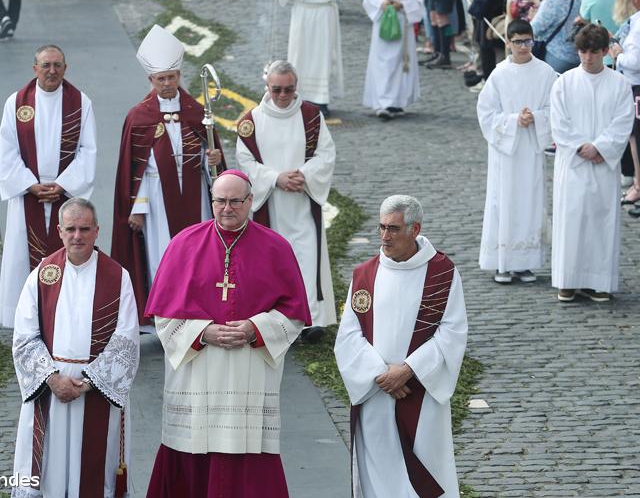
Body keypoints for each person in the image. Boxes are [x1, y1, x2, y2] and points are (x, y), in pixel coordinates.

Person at [144, 170, 311, 497]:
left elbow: (294, 313)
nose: (227, 208)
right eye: (220, 201)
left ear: (251, 201)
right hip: (198, 368)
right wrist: (202, 333)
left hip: (248, 369)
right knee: (191, 447)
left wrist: (255, 328)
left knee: (248, 453)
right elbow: (163, 315)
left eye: (235, 201)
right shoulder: (184, 244)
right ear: (212, 200)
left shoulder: (275, 247)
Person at [334, 195, 469, 498]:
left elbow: (452, 332)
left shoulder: (442, 274)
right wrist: (382, 374)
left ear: (415, 229)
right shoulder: (365, 274)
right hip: (376, 392)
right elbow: (348, 335)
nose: (384, 237)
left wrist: (408, 371)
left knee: (424, 470)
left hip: (421, 393)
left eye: (393, 229)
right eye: (381, 227)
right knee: (377, 472)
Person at [11, 198, 140, 497]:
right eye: (71, 229)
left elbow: (126, 340)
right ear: (59, 231)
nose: (77, 236)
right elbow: (24, 336)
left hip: (96, 392)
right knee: (50, 470)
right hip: (51, 391)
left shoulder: (117, 277)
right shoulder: (43, 275)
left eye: (84, 229)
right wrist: (53, 380)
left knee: (95, 471)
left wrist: (87, 384)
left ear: (97, 230)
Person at [112, 25, 225, 332]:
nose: (166, 83)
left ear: (178, 76)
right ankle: (168, 320)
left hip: (197, 200)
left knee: (200, 256)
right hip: (158, 204)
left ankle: (202, 315)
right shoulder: (139, 117)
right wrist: (138, 207)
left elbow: (211, 159)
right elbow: (137, 173)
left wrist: (211, 159)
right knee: (163, 257)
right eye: (160, 78)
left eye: (171, 77)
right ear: (151, 80)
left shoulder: (196, 112)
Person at [235, 60, 336, 342]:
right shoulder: (251, 122)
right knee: (272, 262)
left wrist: (303, 176)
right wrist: (275, 178)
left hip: (302, 202)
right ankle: (274, 322)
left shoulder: (311, 117)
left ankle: (310, 320)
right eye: (277, 89)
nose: (282, 95)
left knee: (306, 256)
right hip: (271, 206)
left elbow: (326, 154)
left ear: (296, 86)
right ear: (267, 86)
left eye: (288, 89)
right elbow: (245, 162)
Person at [0, 45, 97, 328]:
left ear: (65, 68)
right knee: (22, 259)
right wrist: (29, 185)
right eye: (46, 65)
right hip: (28, 196)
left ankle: (65, 316)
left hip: (64, 197)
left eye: (57, 65)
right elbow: (8, 150)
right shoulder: (16, 104)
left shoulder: (80, 103)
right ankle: (27, 319)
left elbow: (88, 151)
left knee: (70, 249)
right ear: (35, 69)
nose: (52, 71)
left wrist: (63, 185)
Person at [550, 24, 634, 301]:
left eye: (594, 52)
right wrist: (581, 147)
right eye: (583, 52)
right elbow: (559, 123)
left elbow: (623, 121)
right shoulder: (564, 82)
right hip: (573, 164)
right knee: (571, 221)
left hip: (603, 165)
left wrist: (600, 146)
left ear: (605, 51)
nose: (587, 58)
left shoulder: (619, 83)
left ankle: (597, 282)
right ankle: (567, 280)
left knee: (601, 222)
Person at [477, 19, 558, 284]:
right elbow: (486, 113)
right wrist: (514, 120)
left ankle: (525, 263)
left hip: (531, 149)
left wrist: (535, 117)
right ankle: (502, 262)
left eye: (528, 41)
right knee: (504, 201)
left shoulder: (546, 73)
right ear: (508, 42)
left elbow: (554, 109)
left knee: (531, 202)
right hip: (506, 151)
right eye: (519, 42)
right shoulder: (499, 74)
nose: (524, 47)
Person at [273, 0, 345, 116]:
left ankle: (320, 100)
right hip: (302, 10)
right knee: (299, 56)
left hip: (324, 11)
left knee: (322, 56)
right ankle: (297, 97)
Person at [362, 0, 425, 119]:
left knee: (399, 64)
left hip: (402, 20)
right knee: (382, 64)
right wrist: (382, 3)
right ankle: (382, 102)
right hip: (382, 21)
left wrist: (402, 5)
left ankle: (397, 102)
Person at [611, 0, 640, 210]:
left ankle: (638, 186)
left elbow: (635, 61)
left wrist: (618, 55)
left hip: (636, 85)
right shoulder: (635, 20)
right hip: (633, 85)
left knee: (636, 138)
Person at [531, 0, 583, 73]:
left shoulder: (551, 1)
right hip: (577, 54)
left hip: (556, 56)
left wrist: (532, 14)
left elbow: (534, 30)